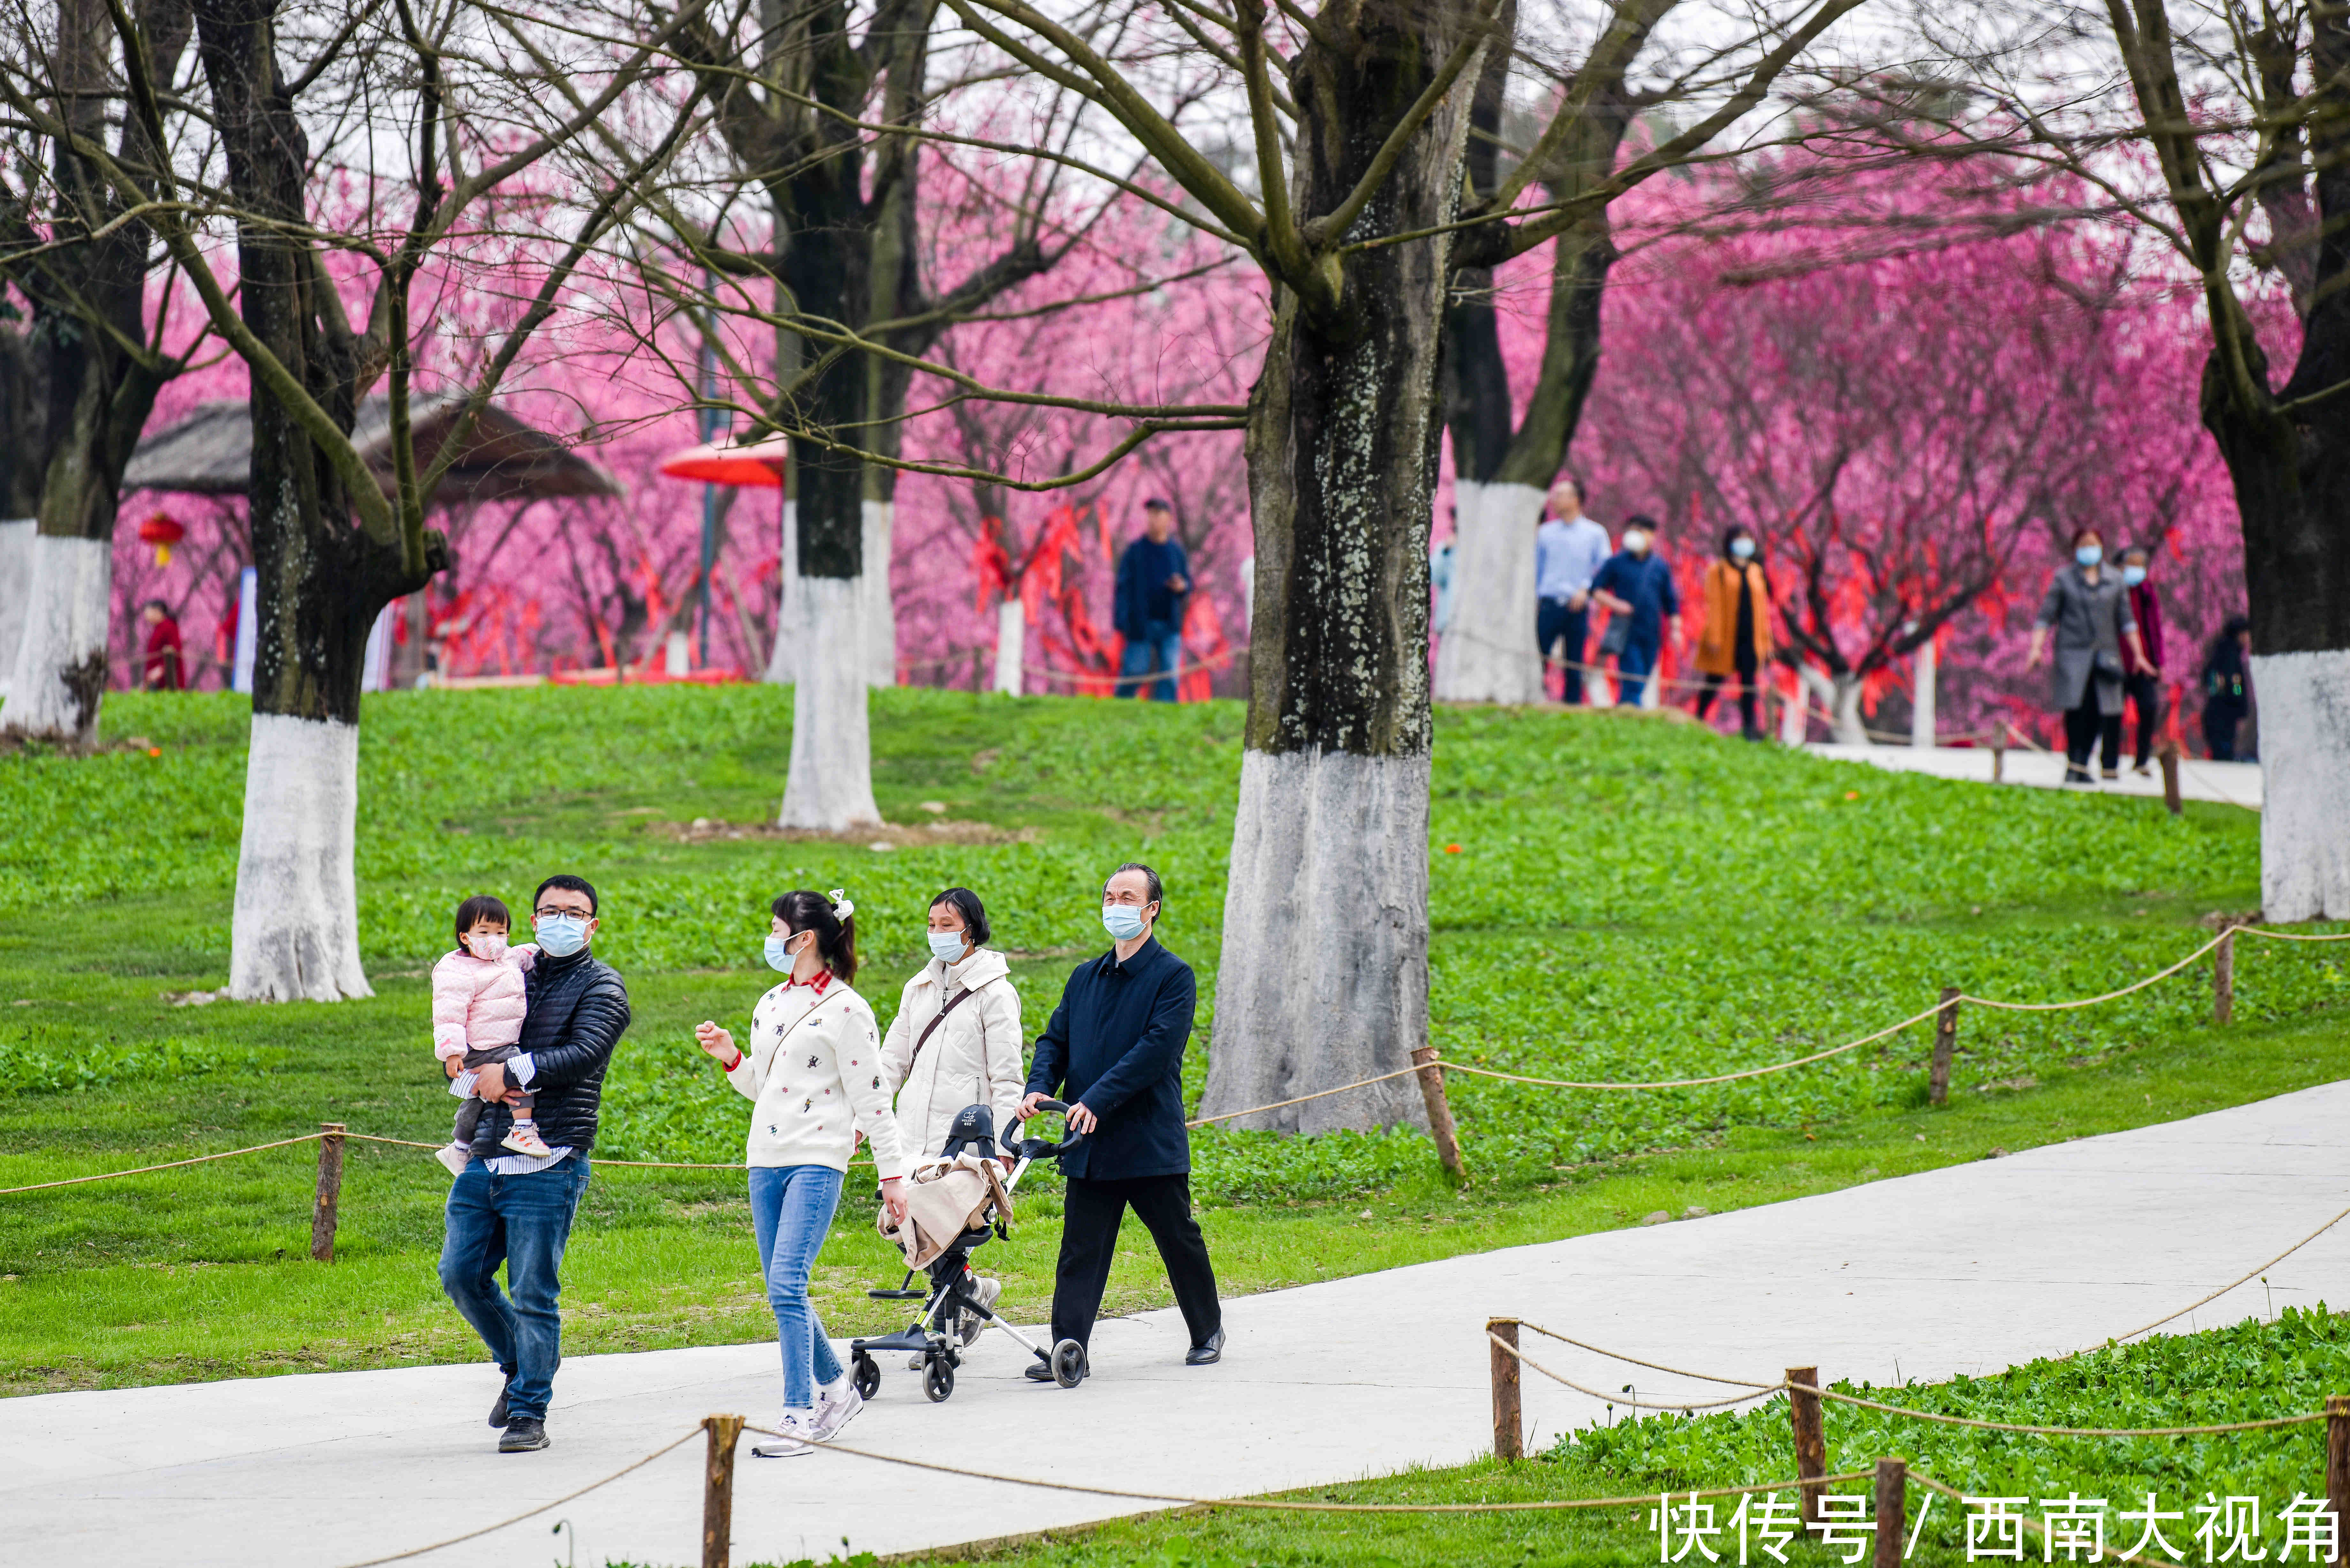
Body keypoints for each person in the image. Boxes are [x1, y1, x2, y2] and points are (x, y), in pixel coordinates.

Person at [693, 889, 910, 1456]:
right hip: (764, 1158)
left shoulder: (848, 1009)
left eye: (776, 929)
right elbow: (765, 1090)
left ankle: (799, 1412)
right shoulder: (770, 1002)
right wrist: (731, 1056)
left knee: (788, 1283)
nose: (770, 939)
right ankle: (837, 1388)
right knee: (780, 1288)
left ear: (804, 938)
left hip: (818, 1158)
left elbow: (874, 1099)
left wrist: (892, 1175)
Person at [436, 874, 630, 1454]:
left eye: (574, 913)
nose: (560, 920)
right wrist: (461, 1062)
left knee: (532, 1292)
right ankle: (521, 1363)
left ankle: (528, 1411)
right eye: (550, 911)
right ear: (533, 919)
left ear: (592, 925)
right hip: (488, 1151)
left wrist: (512, 1071)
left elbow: (584, 1054)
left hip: (551, 1155)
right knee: (460, 1274)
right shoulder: (507, 971)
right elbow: (468, 1024)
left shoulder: (602, 985)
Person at [1018, 863, 1222, 1384]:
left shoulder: (1173, 976)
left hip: (1148, 1140)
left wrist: (1097, 1099)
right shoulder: (1085, 977)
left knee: (1179, 1240)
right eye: (1110, 896)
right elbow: (1055, 1040)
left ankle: (1208, 1330)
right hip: (1088, 1141)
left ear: (1152, 908)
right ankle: (1069, 1351)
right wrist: (1039, 1087)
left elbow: (1156, 1050)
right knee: (1080, 1251)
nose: (1116, 905)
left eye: (1128, 897)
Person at [880, 886, 1025, 1343]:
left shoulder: (996, 993)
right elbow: (891, 1061)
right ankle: (972, 1292)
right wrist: (867, 1118)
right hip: (910, 1135)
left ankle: (942, 1335)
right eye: (932, 924)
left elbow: (1007, 1075)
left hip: (966, 1145)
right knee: (903, 1224)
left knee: (943, 1223)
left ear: (971, 930)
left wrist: (1004, 1144)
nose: (937, 933)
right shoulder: (918, 987)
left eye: (948, 925)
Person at [432, 896, 548, 1176]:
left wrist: (545, 950)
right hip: (482, 1047)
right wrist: (452, 1053)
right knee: (522, 1074)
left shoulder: (507, 957)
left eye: (500, 932)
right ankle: (522, 1130)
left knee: (479, 1098)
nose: (493, 939)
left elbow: (527, 955)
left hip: (500, 1040)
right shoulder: (457, 971)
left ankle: (459, 1147)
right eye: (484, 932)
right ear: (465, 937)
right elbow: (449, 1014)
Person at [2026, 528, 2149, 785]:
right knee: (2076, 710)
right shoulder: (2064, 579)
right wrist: (2036, 648)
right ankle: (2075, 762)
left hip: (2105, 656)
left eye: (2093, 544)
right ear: (2075, 548)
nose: (2089, 549)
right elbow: (2046, 616)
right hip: (2072, 654)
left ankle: (2082, 763)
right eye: (2084, 544)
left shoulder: (2115, 580)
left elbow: (2127, 621)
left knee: (2098, 711)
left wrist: (2139, 654)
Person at [1588, 515, 1682, 707]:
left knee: (1643, 677)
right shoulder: (1617, 563)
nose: (1635, 535)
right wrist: (1617, 605)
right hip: (1627, 630)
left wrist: (1676, 630)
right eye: (1632, 531)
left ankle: (1627, 711)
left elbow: (1671, 602)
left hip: (1651, 632)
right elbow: (1596, 590)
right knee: (1633, 677)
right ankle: (1631, 712)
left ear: (1652, 536)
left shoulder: (1659, 566)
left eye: (1640, 531)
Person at [1534, 477, 1613, 704]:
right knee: (1538, 658)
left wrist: (1586, 590)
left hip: (1578, 607)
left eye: (1560, 495)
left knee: (1574, 661)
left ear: (1575, 499)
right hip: (1548, 605)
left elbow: (1605, 570)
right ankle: (1534, 702)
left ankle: (1572, 707)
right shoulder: (1545, 533)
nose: (1555, 499)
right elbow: (1536, 570)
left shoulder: (1595, 534)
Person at [1693, 524, 1771, 741]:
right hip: (1727, 636)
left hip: (1751, 636)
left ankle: (1749, 729)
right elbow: (1715, 606)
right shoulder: (1718, 570)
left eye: (1748, 538)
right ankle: (1698, 719)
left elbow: (1763, 610)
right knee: (1714, 679)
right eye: (1740, 538)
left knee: (1749, 683)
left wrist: (1767, 642)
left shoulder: (1756, 571)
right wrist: (1714, 637)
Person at [1114, 499, 1190, 702]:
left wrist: (1182, 587)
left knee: (1169, 675)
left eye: (1157, 514)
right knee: (1135, 670)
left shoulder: (1176, 552)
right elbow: (1122, 588)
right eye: (1150, 514)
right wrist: (1121, 620)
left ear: (1169, 519)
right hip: (1140, 623)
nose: (1153, 519)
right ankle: (1119, 706)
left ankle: (1165, 713)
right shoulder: (1135, 551)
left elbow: (1187, 583)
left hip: (1170, 623)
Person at [2119, 546, 2167, 775]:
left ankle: (2142, 759)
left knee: (2149, 708)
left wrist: (2159, 662)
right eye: (2131, 565)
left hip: (2144, 665)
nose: (2135, 570)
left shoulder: (2148, 594)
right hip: (2119, 662)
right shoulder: (2117, 592)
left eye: (2139, 566)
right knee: (2112, 713)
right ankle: (2108, 760)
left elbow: (2155, 629)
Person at [2201, 614, 2253, 761]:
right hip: (2224, 715)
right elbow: (2235, 682)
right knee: (2223, 755)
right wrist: (2238, 700)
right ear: (2240, 634)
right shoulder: (2230, 656)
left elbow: (2211, 681)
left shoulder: (2220, 652)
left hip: (2217, 711)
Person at [139, 600, 183, 690]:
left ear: (157, 611)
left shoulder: (169, 627)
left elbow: (175, 649)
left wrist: (161, 669)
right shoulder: (159, 628)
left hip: (167, 679)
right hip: (156, 678)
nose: (146, 615)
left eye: (148, 612)